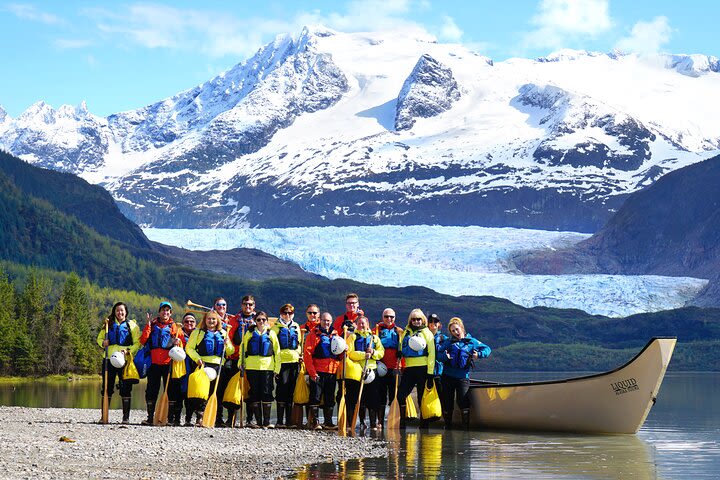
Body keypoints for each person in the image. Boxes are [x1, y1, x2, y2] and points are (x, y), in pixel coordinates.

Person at [437, 317, 491, 430]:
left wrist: (479, 355)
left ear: (461, 327)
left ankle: (465, 428)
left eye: (457, 329)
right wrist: (444, 357)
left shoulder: (472, 341)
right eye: (453, 331)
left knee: (463, 401)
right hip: (447, 377)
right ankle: (448, 427)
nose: (456, 332)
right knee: (447, 402)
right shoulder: (449, 342)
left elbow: (487, 349)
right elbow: (438, 354)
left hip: (463, 378)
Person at [185, 310, 234, 425]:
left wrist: (227, 344)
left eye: (213, 319)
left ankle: (218, 418)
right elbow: (189, 348)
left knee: (218, 392)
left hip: (219, 366)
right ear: (205, 320)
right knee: (203, 391)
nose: (211, 321)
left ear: (217, 321)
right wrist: (197, 359)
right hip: (203, 364)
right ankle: (200, 417)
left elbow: (230, 351)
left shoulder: (223, 333)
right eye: (209, 319)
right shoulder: (198, 332)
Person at [96, 302, 141, 424]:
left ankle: (125, 418)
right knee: (106, 387)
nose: (119, 313)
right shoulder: (108, 324)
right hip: (108, 359)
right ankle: (104, 416)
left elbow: (138, 343)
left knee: (126, 388)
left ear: (126, 312)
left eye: (122, 310)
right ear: (114, 312)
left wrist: (128, 350)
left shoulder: (132, 326)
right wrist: (102, 343)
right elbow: (99, 339)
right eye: (117, 310)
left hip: (124, 361)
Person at [138, 301, 182, 425]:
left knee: (171, 390)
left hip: (168, 363)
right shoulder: (152, 324)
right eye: (163, 310)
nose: (165, 312)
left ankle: (170, 418)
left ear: (170, 313)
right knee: (152, 390)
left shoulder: (174, 326)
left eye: (168, 310)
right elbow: (143, 340)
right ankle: (150, 417)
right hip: (154, 363)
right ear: (159, 312)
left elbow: (179, 340)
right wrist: (147, 325)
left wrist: (178, 341)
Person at [397, 309, 435, 428]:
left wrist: (430, 374)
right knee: (401, 395)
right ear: (410, 320)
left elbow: (432, 354)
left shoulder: (427, 333)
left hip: (423, 368)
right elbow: (402, 345)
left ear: (423, 320)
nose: (416, 321)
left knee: (421, 397)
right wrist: (400, 352)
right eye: (414, 319)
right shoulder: (406, 332)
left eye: (419, 319)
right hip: (409, 368)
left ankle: (424, 424)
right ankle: (402, 421)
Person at [242, 311, 281, 428]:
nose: (261, 322)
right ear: (255, 320)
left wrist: (277, 368)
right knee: (254, 393)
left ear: (267, 321)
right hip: (251, 366)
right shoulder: (249, 334)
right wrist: (241, 363)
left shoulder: (271, 334)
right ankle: (258, 421)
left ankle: (267, 421)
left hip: (267, 367)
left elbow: (277, 352)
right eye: (258, 320)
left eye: (263, 320)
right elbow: (242, 350)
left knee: (267, 392)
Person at [345, 316, 384, 431]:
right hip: (357, 370)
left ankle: (373, 423)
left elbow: (381, 353)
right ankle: (361, 422)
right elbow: (350, 353)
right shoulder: (352, 337)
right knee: (358, 398)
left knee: (372, 398)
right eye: (360, 323)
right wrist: (363, 355)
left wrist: (373, 353)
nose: (362, 325)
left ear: (368, 324)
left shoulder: (374, 338)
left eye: (364, 323)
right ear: (356, 324)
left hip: (372, 370)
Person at [303, 312, 341, 430]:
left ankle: (328, 422)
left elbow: (339, 353)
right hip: (318, 371)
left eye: (328, 321)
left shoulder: (335, 335)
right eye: (324, 320)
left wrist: (345, 349)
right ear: (320, 320)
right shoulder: (313, 335)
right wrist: (312, 372)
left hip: (332, 371)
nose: (326, 323)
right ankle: (315, 421)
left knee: (330, 397)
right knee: (315, 396)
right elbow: (307, 355)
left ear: (331, 321)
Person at [271, 303, 302, 428]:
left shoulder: (296, 327)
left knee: (291, 390)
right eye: (285, 313)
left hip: (294, 362)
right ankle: (279, 421)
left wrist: (299, 354)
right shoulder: (275, 328)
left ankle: (289, 421)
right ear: (281, 314)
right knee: (281, 389)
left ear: (293, 314)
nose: (287, 315)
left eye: (289, 313)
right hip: (281, 362)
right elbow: (273, 346)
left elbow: (299, 343)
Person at [212, 297, 241, 427]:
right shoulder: (211, 319)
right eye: (219, 305)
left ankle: (231, 418)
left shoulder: (233, 319)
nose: (221, 307)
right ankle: (218, 417)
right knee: (219, 389)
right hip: (220, 360)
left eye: (224, 304)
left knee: (232, 389)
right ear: (215, 306)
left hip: (234, 358)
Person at [374, 307, 403, 428]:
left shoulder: (399, 331)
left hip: (395, 367)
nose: (389, 319)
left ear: (395, 318)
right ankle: (380, 421)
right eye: (386, 316)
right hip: (381, 367)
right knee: (381, 396)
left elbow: (405, 347)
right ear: (382, 317)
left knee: (394, 395)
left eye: (391, 317)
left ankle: (393, 420)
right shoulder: (376, 330)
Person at [168, 312, 196, 426]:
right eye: (186, 321)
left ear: (195, 323)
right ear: (183, 323)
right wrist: (173, 343)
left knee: (190, 393)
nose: (189, 323)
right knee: (178, 392)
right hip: (179, 365)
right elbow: (168, 345)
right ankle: (176, 419)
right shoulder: (177, 333)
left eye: (192, 321)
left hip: (193, 365)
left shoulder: (198, 334)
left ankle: (188, 419)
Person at [237, 295, 258, 426]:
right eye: (245, 304)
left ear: (254, 306)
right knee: (236, 388)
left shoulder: (259, 320)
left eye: (250, 304)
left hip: (251, 361)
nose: (248, 306)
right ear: (242, 305)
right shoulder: (235, 319)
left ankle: (251, 419)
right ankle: (231, 418)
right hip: (236, 358)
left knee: (252, 390)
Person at [301, 303, 321, 426]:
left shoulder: (323, 327)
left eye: (315, 313)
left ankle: (315, 420)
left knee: (316, 392)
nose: (312, 315)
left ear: (318, 314)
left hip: (318, 365)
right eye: (310, 313)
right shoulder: (302, 328)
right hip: (304, 364)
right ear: (306, 314)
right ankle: (307, 420)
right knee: (306, 391)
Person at [427, 313, 448, 409]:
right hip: (426, 372)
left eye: (435, 321)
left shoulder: (444, 339)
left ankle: (445, 421)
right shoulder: (423, 337)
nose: (433, 323)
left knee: (443, 398)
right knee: (426, 398)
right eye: (430, 321)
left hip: (440, 373)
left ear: (439, 324)